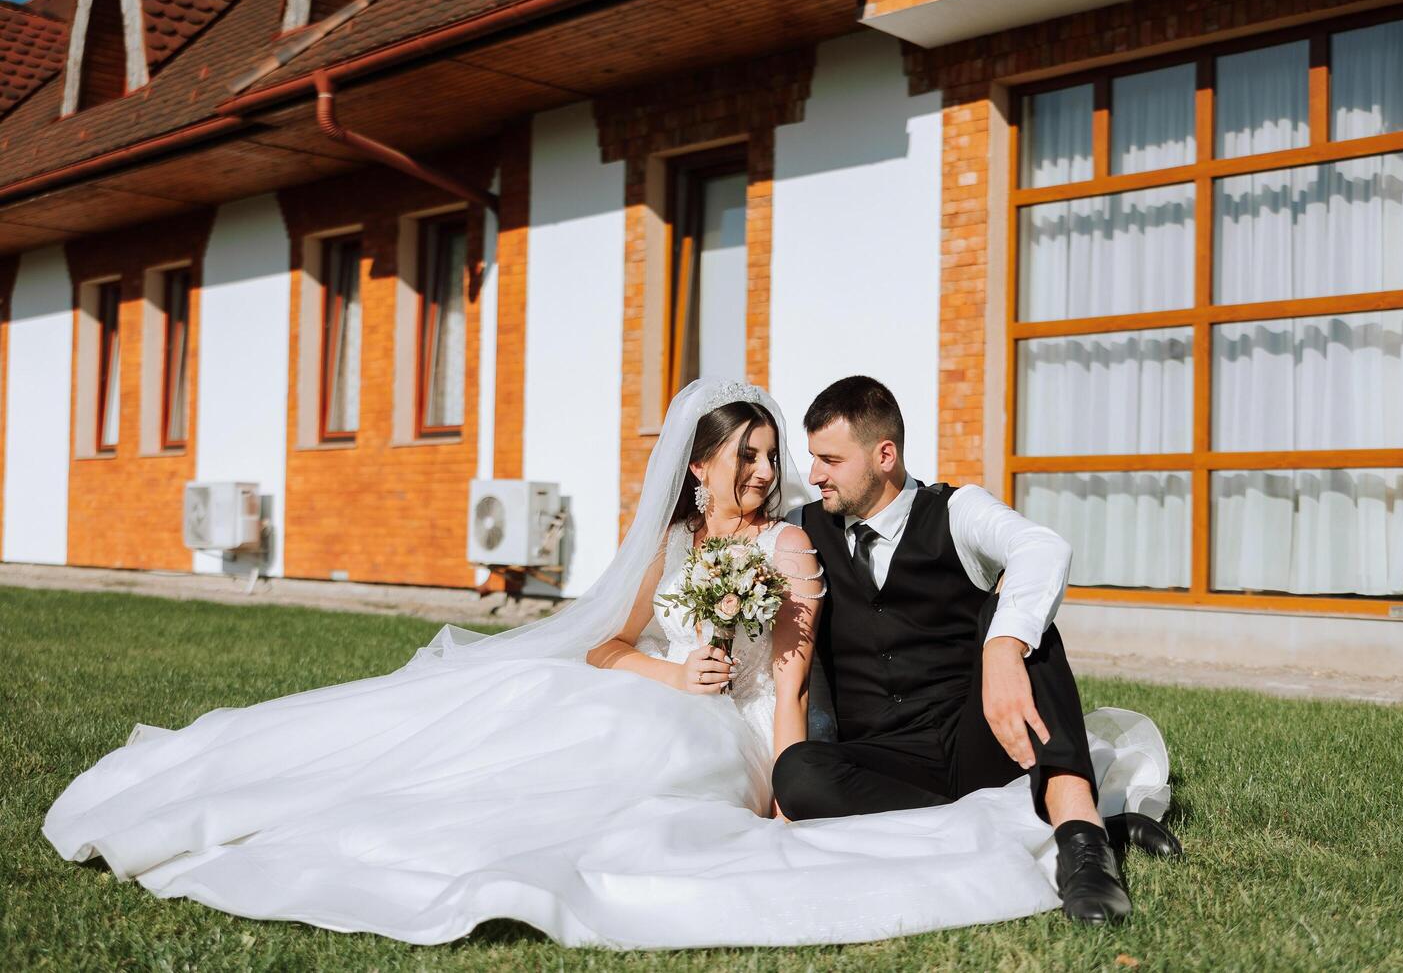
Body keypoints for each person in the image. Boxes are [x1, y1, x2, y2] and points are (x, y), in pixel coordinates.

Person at [43, 379, 1172, 948]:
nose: (776, 472)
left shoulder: (798, 541)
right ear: (699, 470)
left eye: (788, 457)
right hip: (663, 693)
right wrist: (657, 672)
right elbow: (608, 641)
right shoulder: (686, 544)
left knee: (647, 749)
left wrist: (782, 761)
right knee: (556, 707)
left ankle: (1078, 826)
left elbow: (788, 672)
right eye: (760, 456)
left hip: (740, 719)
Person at [772, 375, 1182, 924]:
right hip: (889, 763)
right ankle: (1040, 827)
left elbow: (1041, 547)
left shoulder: (957, 510)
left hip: (983, 740)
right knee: (798, 773)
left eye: (830, 459)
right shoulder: (804, 528)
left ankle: (1086, 852)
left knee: (1018, 619)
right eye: (813, 458)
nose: (815, 474)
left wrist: (1003, 649)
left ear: (885, 455)